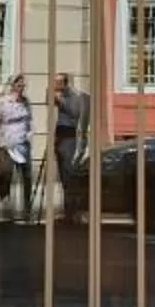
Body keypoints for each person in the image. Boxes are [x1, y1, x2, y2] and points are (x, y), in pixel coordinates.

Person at [50, 71, 91, 219]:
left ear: (65, 83)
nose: (55, 85)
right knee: (62, 175)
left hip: (70, 139)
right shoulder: (60, 96)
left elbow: (75, 112)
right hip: (60, 139)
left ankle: (73, 210)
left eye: (58, 82)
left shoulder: (75, 97)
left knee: (70, 174)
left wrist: (62, 102)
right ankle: (67, 209)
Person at [0, 74, 33, 220]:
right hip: (7, 144)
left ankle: (27, 207)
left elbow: (29, 121)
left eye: (23, 85)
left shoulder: (26, 102)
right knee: (6, 174)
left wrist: (29, 135)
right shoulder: (2, 102)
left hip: (23, 143)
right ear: (12, 86)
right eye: (19, 85)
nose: (21, 88)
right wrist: (0, 142)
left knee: (26, 176)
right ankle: (6, 205)